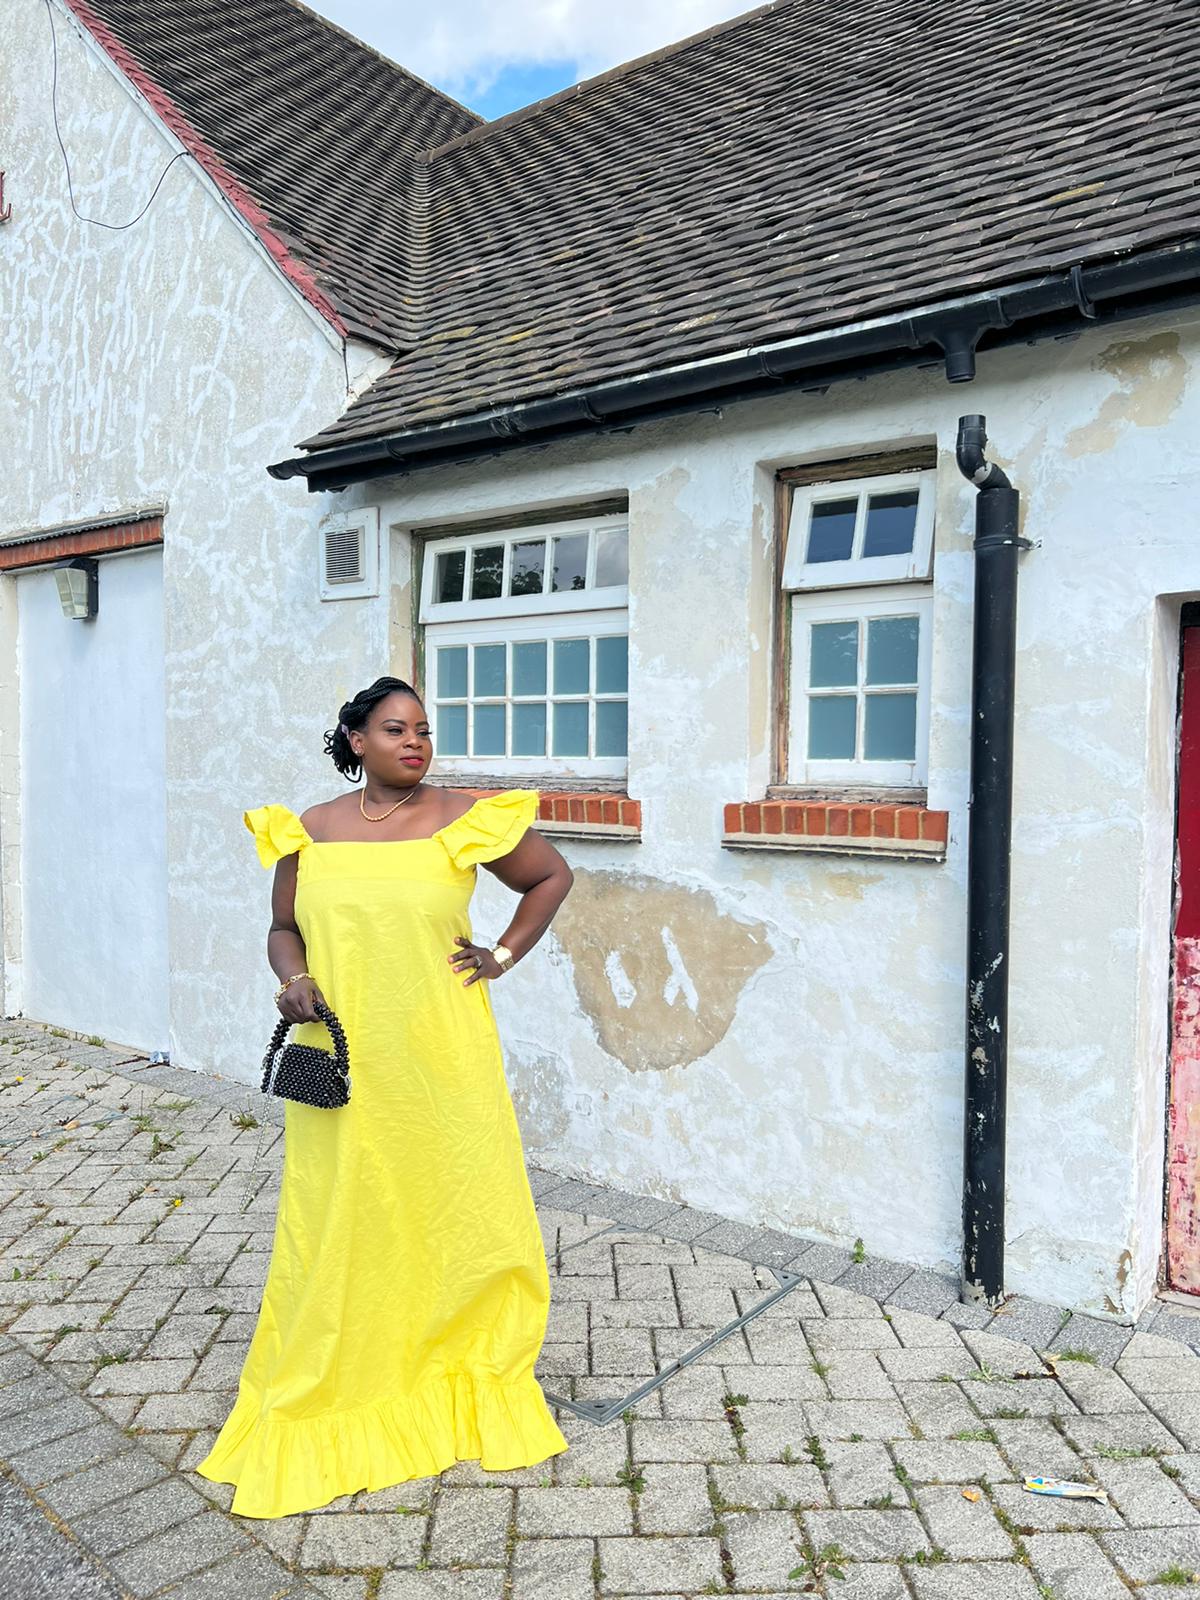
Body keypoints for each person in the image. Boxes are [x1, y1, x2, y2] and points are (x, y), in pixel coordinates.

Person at [195, 674, 575, 1517]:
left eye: (425, 730)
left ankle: (460, 1374)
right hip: (339, 1058)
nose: (416, 742)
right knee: (341, 1217)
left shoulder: (465, 817)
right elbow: (282, 926)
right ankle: (345, 1371)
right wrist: (292, 978)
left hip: (442, 1053)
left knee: (455, 1207)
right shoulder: (308, 831)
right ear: (356, 740)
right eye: (396, 729)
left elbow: (550, 878)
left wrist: (501, 956)